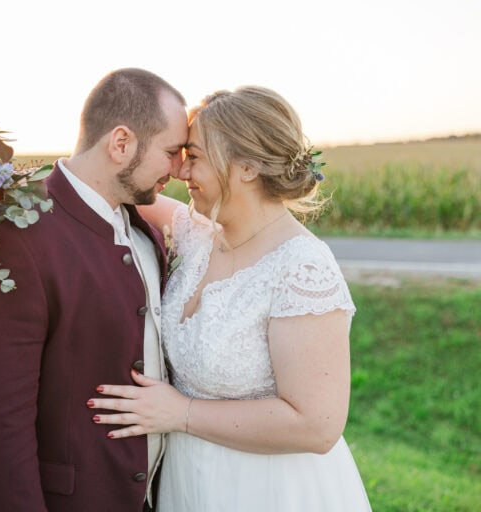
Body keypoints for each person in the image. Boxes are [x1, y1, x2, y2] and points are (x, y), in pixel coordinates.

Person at [88, 86, 372, 511]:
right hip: (189, 481)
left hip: (269, 489)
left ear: (247, 167)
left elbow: (318, 425)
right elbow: (102, 188)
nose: (182, 172)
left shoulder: (303, 267)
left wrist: (180, 413)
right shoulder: (196, 232)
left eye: (196, 156)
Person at [0, 68, 188, 511]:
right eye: (171, 151)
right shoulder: (16, 235)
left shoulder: (146, 231)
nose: (178, 168)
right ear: (121, 144)